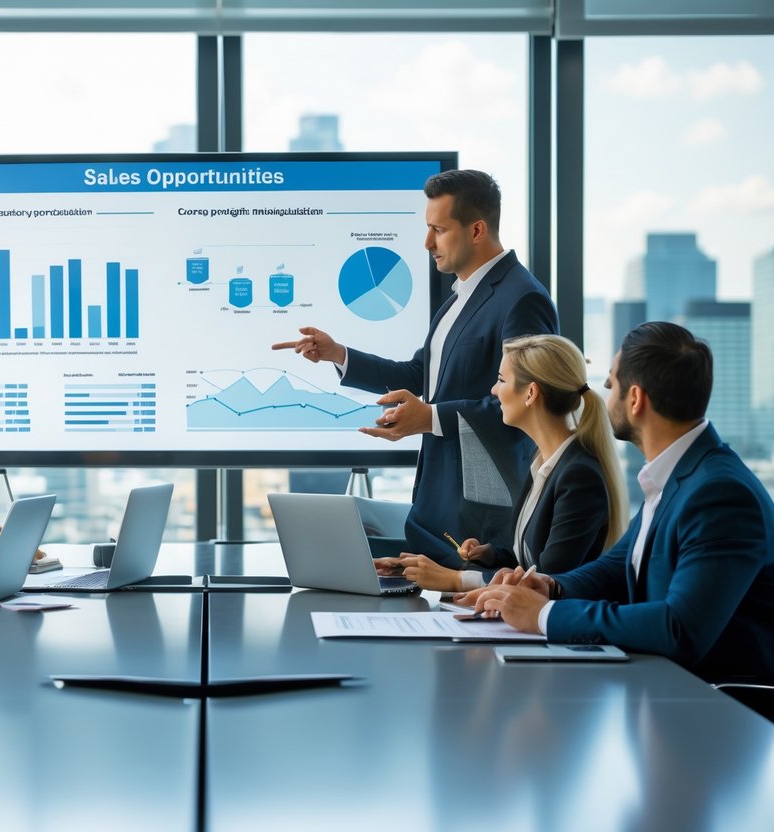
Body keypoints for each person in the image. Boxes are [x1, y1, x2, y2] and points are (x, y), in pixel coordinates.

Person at [459, 322, 774, 683]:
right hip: (666, 689)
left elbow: (679, 629)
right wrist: (550, 586)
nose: (603, 396)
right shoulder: (677, 476)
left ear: (636, 399)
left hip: (718, 708)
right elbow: (616, 567)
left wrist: (545, 615)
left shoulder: (719, 494)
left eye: (610, 385)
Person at [273, 169, 558, 567]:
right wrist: (339, 354)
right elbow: (417, 375)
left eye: (438, 230)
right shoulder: (460, 296)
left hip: (482, 517)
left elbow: (531, 405)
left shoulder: (522, 298)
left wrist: (430, 417)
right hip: (437, 505)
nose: (427, 243)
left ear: (477, 230)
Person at [378, 334, 628, 592]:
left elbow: (547, 583)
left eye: (501, 380)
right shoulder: (544, 462)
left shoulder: (578, 475)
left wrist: (456, 579)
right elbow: (532, 560)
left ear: (530, 393)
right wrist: (494, 555)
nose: (493, 391)